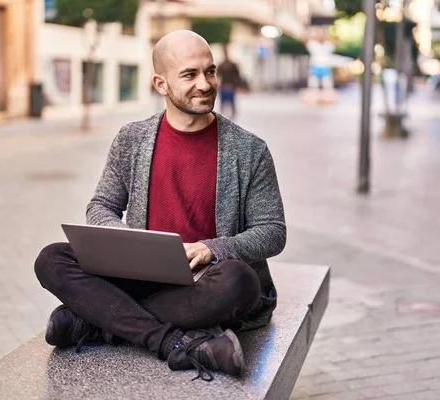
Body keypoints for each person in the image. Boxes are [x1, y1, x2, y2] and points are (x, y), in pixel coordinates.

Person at [34, 30, 286, 382]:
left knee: (240, 281)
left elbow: (272, 232)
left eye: (210, 71)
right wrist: (127, 243)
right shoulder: (132, 139)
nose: (205, 83)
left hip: (206, 281)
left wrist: (212, 249)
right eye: (189, 74)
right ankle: (173, 343)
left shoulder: (249, 150)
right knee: (52, 258)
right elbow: (101, 206)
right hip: (140, 276)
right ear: (160, 84)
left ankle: (97, 322)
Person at [217, 45, 241, 119]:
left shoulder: (232, 64)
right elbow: (217, 76)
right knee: (223, 103)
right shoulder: (221, 64)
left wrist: (237, 86)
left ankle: (232, 116)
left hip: (230, 86)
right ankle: (223, 116)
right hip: (224, 86)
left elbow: (237, 76)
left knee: (231, 103)